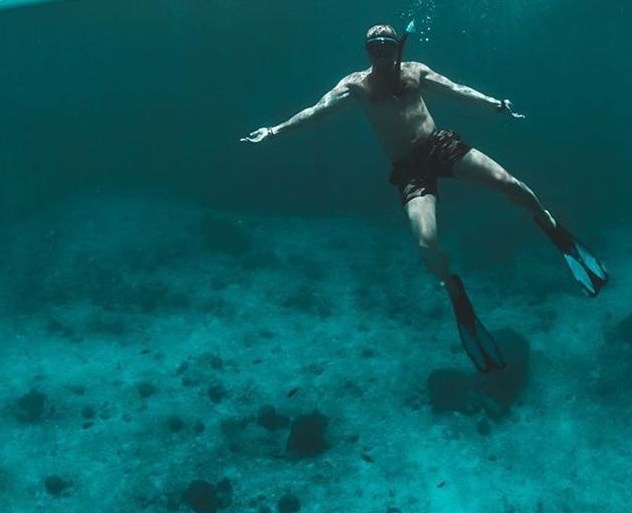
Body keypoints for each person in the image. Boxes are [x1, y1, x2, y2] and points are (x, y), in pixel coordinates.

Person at [241, 23, 608, 373]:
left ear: (395, 47)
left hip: (440, 146)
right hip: (408, 169)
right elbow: (315, 111)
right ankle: (454, 290)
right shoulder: (356, 86)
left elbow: (457, 89)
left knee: (509, 184)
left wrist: (496, 104)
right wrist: (274, 131)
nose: (381, 54)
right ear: (367, 52)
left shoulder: (415, 71)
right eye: (374, 48)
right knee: (425, 241)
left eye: (386, 46)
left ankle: (551, 227)